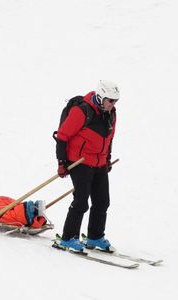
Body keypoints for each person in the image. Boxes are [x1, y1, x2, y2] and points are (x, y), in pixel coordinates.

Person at [54, 80, 119, 252]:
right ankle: (68, 238)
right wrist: (62, 162)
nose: (113, 104)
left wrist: (107, 159)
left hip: (99, 163)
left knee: (102, 201)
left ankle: (95, 236)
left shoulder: (111, 114)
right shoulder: (82, 110)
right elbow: (62, 136)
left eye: (115, 101)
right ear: (100, 96)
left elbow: (109, 139)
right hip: (79, 161)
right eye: (110, 100)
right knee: (81, 201)